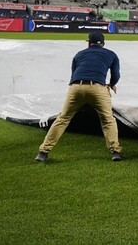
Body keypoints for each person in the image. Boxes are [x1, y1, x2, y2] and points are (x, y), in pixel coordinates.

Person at [34, 31, 123, 162]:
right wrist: (111, 85)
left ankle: (43, 152)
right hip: (98, 88)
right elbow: (116, 75)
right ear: (103, 44)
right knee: (108, 119)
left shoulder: (79, 54)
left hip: (76, 87)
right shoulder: (111, 54)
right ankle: (115, 152)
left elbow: (74, 74)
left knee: (63, 119)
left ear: (88, 43)